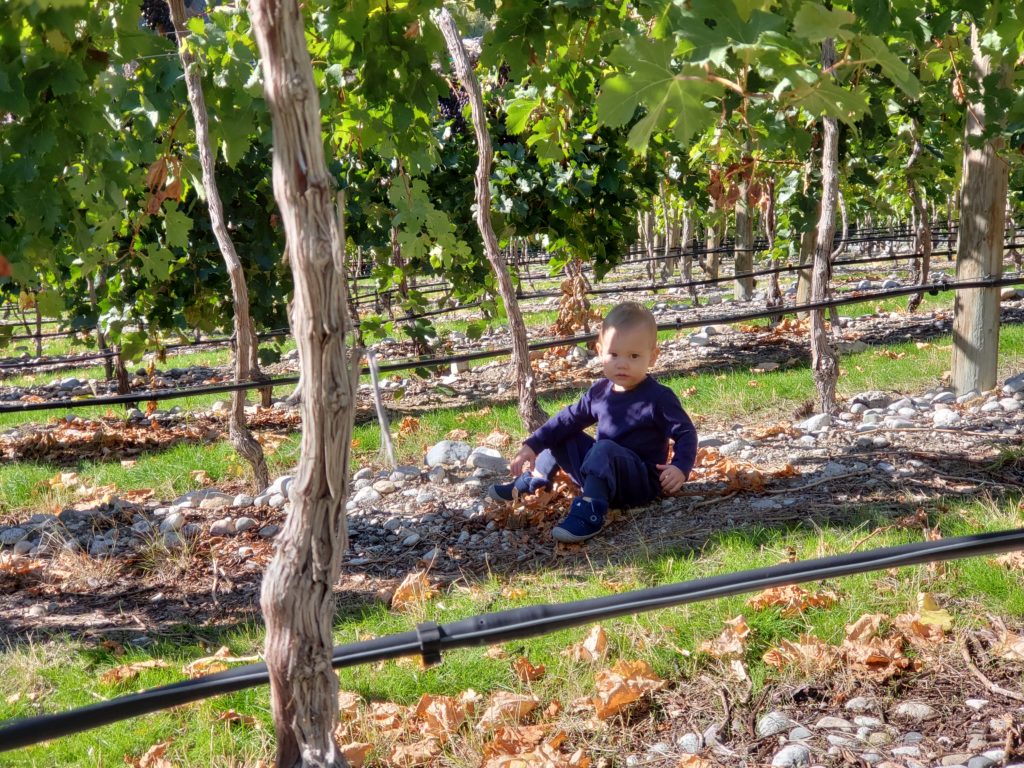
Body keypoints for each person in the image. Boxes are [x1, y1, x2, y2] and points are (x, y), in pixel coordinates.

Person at [488, 301, 698, 543]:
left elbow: (685, 433)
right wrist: (532, 446)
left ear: (652, 357)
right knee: (564, 431)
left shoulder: (658, 398)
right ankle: (537, 478)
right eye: (614, 354)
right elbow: (567, 419)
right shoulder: (599, 391)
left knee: (604, 448)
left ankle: (591, 509)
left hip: (638, 483)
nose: (622, 363)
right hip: (601, 472)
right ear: (599, 351)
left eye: (634, 356)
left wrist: (680, 467)